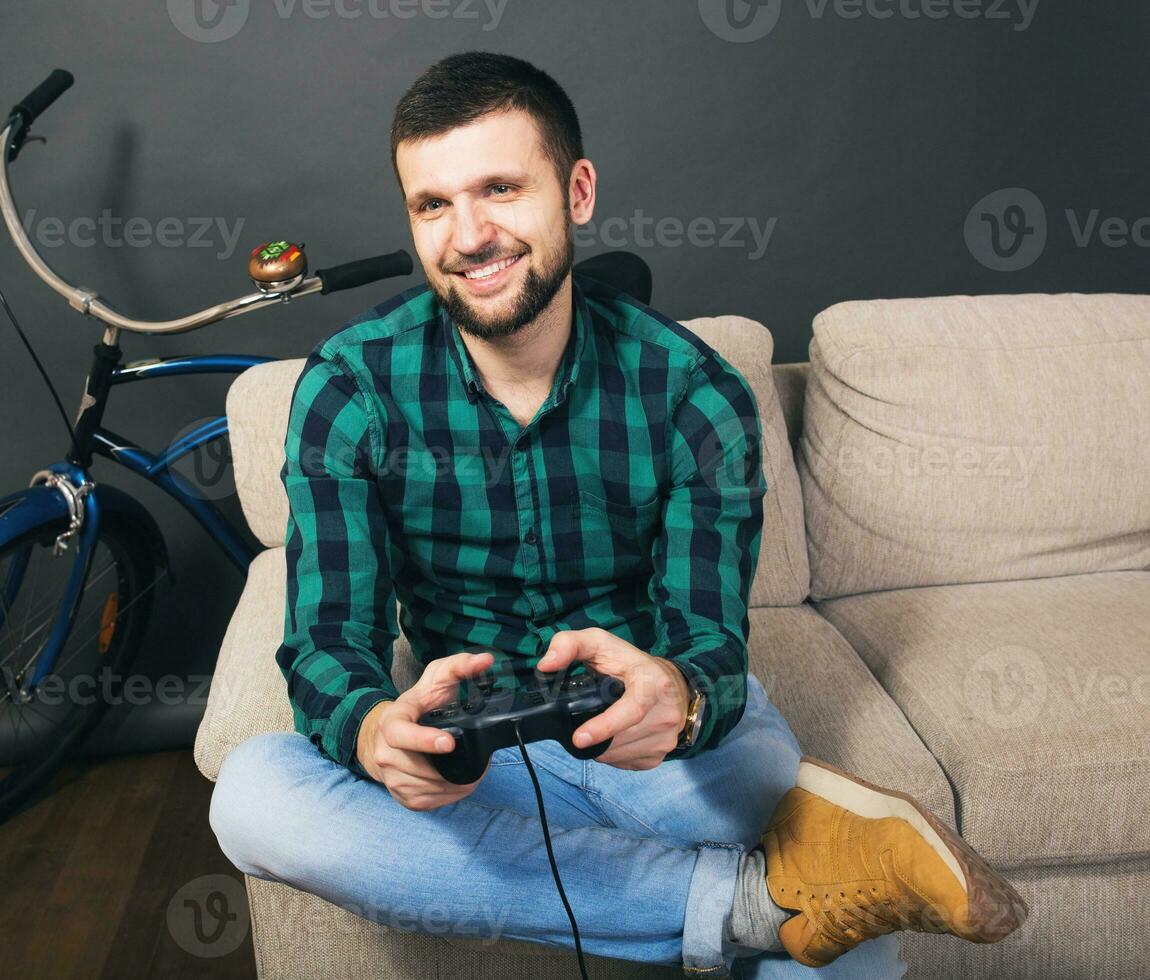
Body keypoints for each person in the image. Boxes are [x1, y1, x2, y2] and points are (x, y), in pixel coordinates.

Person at [209, 51, 1027, 977]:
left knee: (770, 797)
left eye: (501, 189)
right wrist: (369, 731)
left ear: (578, 191)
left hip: (652, 750)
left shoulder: (694, 393)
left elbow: (710, 644)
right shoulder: (348, 389)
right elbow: (325, 642)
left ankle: (758, 874)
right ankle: (750, 901)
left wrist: (677, 700)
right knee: (252, 796)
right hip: (473, 749)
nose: (468, 235)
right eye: (432, 205)